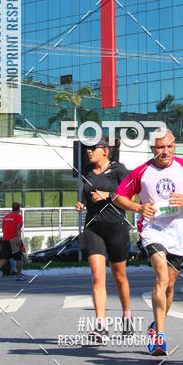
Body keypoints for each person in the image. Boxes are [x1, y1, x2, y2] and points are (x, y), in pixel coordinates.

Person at [115, 129, 183, 356]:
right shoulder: (142, 172)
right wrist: (138, 207)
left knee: (170, 286)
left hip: (177, 232)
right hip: (152, 230)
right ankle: (160, 338)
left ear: (174, 146)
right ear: (152, 149)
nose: (164, 151)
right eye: (159, 147)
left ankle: (157, 325)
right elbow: (117, 196)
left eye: (169, 147)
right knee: (161, 277)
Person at [75, 137, 132, 344]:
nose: (89, 152)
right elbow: (84, 195)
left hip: (116, 226)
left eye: (94, 148)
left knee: (119, 277)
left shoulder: (119, 170)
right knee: (98, 276)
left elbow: (130, 196)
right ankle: (101, 326)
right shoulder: (88, 173)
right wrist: (80, 203)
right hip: (93, 227)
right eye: (88, 148)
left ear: (105, 151)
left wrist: (108, 195)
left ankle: (127, 317)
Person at [0, 202, 25, 282]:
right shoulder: (18, 217)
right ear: (18, 209)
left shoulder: (6, 216)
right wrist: (18, 239)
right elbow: (18, 228)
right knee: (18, 258)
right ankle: (18, 276)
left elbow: (3, 229)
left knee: (4, 258)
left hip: (5, 239)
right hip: (14, 240)